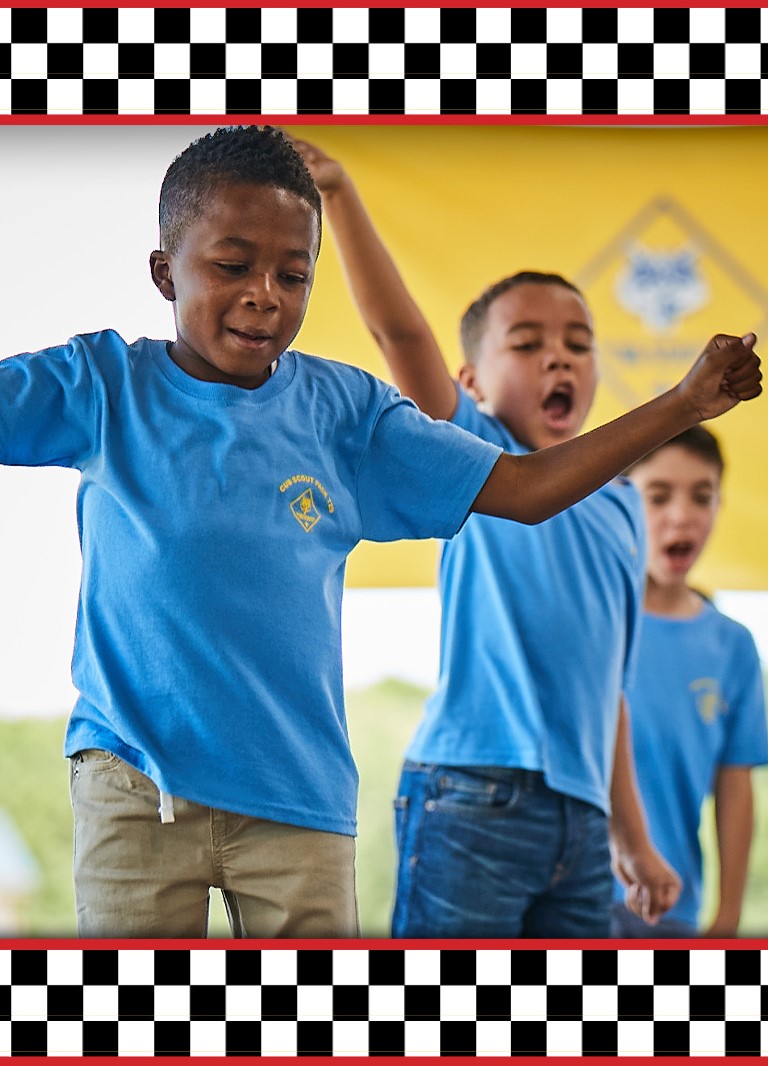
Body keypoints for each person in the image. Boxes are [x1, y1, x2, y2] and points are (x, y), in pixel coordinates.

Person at [0, 126, 760, 939]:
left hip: (299, 797)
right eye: (232, 266)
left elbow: (527, 491)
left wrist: (685, 404)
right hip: (133, 780)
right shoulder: (102, 385)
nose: (265, 293)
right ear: (164, 271)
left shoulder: (349, 415)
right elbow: (408, 338)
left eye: (293, 275)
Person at [292, 134, 760, 937]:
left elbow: (604, 687)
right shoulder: (474, 452)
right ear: (470, 382)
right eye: (528, 344)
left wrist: (632, 838)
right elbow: (400, 336)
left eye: (578, 344)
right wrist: (337, 191)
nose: (559, 360)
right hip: (473, 797)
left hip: (581, 826)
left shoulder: (622, 510)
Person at [611, 427, 768, 938]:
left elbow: (736, 784)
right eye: (659, 496)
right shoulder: (599, 619)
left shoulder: (733, 645)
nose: (683, 514)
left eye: (702, 496)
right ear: (621, 502)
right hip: (579, 895)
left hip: (674, 905)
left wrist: (727, 916)